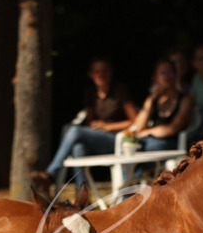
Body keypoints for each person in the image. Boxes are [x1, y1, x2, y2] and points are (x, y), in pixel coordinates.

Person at [45, 56, 138, 187]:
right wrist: (94, 127)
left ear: (111, 72)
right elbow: (90, 122)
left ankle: (52, 172)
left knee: (75, 130)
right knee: (78, 149)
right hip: (98, 139)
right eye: (97, 71)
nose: (101, 75)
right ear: (91, 74)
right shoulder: (90, 93)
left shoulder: (120, 91)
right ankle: (83, 196)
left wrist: (108, 127)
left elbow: (136, 121)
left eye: (105, 71)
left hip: (119, 140)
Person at [128, 57, 194, 153]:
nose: (167, 76)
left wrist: (147, 132)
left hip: (169, 142)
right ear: (155, 78)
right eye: (163, 73)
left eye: (170, 73)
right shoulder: (152, 99)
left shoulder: (185, 100)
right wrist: (151, 100)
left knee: (150, 147)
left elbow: (172, 129)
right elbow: (138, 127)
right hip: (149, 140)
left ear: (176, 75)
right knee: (129, 147)